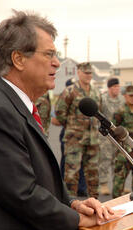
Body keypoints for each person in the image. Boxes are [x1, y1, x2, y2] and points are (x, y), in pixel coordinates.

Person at [0, 11, 120, 230]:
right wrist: (77, 222)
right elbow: (19, 191)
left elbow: (34, 176)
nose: (57, 62)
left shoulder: (17, 106)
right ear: (19, 59)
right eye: (48, 54)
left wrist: (73, 204)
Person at [55, 62, 102, 198]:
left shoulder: (96, 92)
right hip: (74, 139)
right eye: (85, 73)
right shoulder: (70, 91)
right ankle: (71, 203)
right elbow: (60, 112)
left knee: (93, 173)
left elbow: (99, 112)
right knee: (71, 173)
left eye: (90, 73)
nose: (88, 76)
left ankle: (95, 202)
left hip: (92, 139)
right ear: (79, 73)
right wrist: (72, 126)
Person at [52, 78, 88, 197]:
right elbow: (55, 119)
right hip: (68, 133)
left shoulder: (81, 99)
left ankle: (81, 188)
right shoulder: (63, 100)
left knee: (81, 161)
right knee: (67, 162)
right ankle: (64, 187)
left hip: (83, 134)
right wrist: (69, 123)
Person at [99, 77, 123, 195]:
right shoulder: (103, 100)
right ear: (109, 88)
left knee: (117, 159)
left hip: (118, 135)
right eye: (114, 87)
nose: (117, 89)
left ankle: (117, 184)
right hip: (106, 135)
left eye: (118, 86)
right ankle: (103, 184)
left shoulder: (122, 100)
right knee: (105, 158)